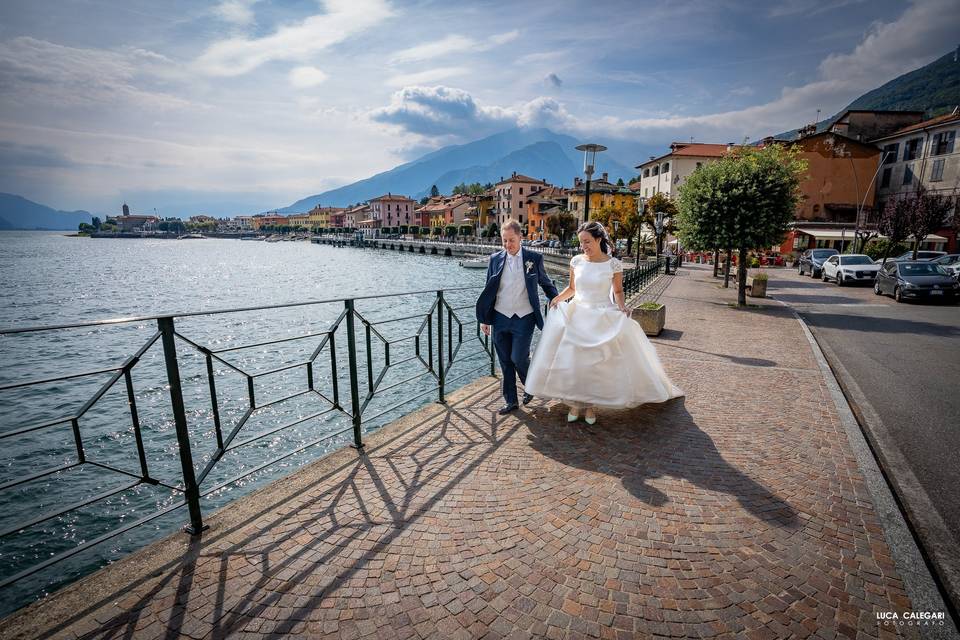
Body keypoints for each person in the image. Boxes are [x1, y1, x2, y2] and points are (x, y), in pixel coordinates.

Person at [525, 221, 683, 424]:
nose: (584, 246)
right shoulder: (576, 261)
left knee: (595, 365)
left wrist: (622, 306)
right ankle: (575, 402)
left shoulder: (613, 264)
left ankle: (589, 406)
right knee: (574, 363)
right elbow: (573, 288)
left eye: (587, 241)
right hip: (578, 315)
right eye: (582, 242)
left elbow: (617, 291)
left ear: (599, 239)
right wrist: (558, 298)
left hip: (602, 314)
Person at [476, 220, 559, 414]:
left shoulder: (533, 259)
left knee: (519, 357)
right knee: (505, 360)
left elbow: (546, 284)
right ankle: (511, 401)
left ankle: (530, 386)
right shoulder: (495, 259)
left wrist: (556, 299)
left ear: (520, 237)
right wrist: (485, 319)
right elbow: (489, 290)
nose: (507, 245)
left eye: (511, 240)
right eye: (504, 241)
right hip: (499, 317)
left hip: (524, 317)